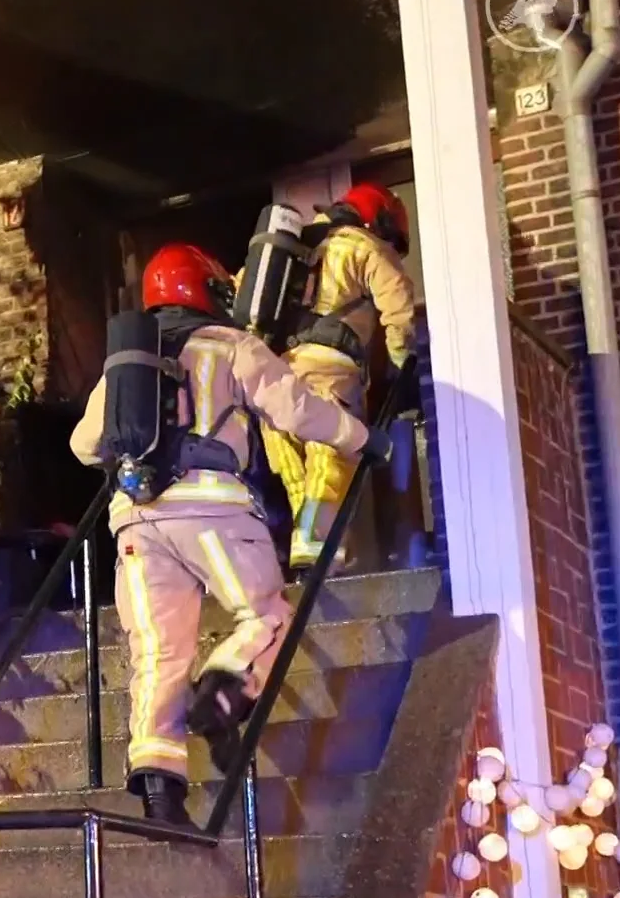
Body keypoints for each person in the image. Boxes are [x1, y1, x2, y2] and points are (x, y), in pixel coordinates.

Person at [69, 243, 391, 826]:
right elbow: (296, 410)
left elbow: (84, 444)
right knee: (265, 615)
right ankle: (223, 686)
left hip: (136, 522)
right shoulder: (232, 346)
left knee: (156, 656)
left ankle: (162, 794)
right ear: (206, 289)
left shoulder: (125, 362)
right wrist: (362, 439)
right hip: (215, 513)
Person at [259, 183, 417, 573]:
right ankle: (316, 545)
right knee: (330, 456)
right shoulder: (362, 246)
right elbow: (398, 311)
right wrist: (400, 365)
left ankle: (310, 549)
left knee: (298, 474)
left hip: (275, 375)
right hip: (328, 372)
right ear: (377, 220)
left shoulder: (292, 250)